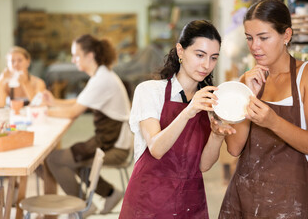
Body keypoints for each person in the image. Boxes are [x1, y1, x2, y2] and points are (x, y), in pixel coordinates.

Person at [211, 0, 308, 218]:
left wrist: (273, 122)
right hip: (243, 197)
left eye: (263, 38)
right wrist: (247, 95)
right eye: (249, 38)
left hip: (288, 203)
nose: (254, 46)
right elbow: (234, 149)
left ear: (286, 35)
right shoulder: (248, 81)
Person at [119, 20, 234, 219]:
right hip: (149, 202)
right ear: (180, 51)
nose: (206, 65)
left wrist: (216, 136)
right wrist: (189, 111)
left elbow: (204, 166)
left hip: (189, 202)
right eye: (199, 55)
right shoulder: (149, 91)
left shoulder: (208, 101)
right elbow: (156, 148)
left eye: (213, 58)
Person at [44, 34, 132, 215]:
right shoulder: (101, 74)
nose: (73, 59)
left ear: (90, 55)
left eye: (76, 55)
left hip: (116, 146)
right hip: (111, 139)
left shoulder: (102, 79)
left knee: (55, 159)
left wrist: (44, 111)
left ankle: (84, 206)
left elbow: (74, 111)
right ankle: (110, 193)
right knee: (72, 156)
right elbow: (80, 101)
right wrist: (53, 103)